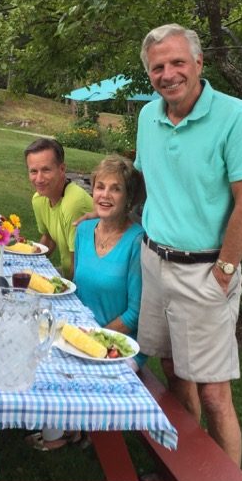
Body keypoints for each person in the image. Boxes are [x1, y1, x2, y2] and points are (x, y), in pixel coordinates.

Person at [134, 23, 242, 466]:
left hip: (206, 271)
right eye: (158, 67)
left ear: (198, 63)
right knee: (173, 372)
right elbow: (153, 186)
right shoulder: (147, 118)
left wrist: (226, 270)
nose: (168, 73)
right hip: (154, 264)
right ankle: (190, 466)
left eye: (177, 62)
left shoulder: (237, 116)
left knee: (214, 393)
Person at [26, 154, 148, 451]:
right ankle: (61, 426)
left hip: (117, 341)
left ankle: (72, 432)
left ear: (129, 197)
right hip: (79, 331)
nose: (104, 195)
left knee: (66, 369)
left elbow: (135, 313)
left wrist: (91, 336)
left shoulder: (137, 241)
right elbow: (77, 287)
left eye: (115, 189)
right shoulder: (82, 231)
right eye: (100, 187)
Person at [24, 138, 92, 279]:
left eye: (46, 170)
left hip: (85, 281)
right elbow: (49, 238)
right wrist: (28, 265)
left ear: (62, 169)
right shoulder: (39, 199)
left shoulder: (73, 203)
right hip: (68, 272)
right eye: (33, 171)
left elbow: (77, 262)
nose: (39, 178)